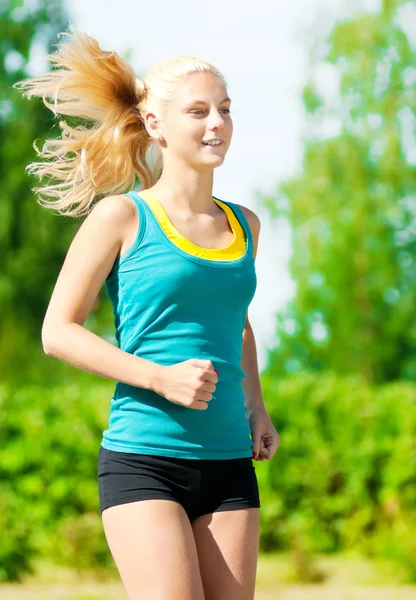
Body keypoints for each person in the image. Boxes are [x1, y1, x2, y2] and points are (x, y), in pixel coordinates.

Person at [14, 26, 280, 600]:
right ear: (156, 125)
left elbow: (238, 324)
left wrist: (258, 409)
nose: (217, 123)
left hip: (231, 461)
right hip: (144, 460)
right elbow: (57, 332)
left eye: (225, 110)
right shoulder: (121, 218)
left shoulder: (245, 225)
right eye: (199, 111)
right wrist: (159, 377)